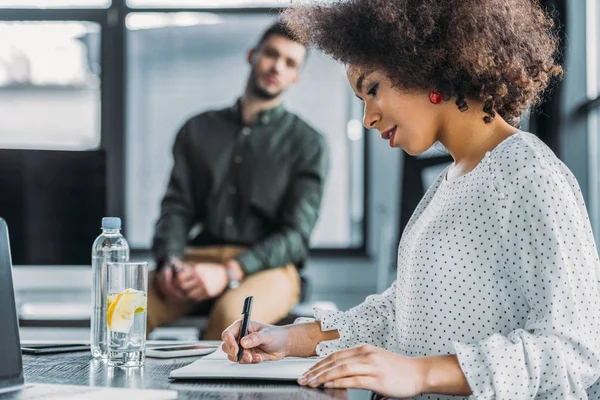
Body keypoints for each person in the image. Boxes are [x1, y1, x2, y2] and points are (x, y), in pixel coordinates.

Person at [221, 1, 600, 398]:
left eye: (372, 89)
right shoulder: (448, 183)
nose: (368, 118)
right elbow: (398, 314)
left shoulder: (529, 173)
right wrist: (286, 338)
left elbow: (573, 349)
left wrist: (420, 374)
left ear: (425, 66)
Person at [148, 21, 329, 340]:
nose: (277, 66)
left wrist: (230, 271)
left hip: (269, 268)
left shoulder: (308, 143)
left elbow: (296, 236)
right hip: (197, 259)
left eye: (290, 63)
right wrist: (170, 260)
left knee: (231, 318)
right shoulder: (198, 129)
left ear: (295, 76)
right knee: (125, 306)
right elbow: (177, 207)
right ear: (252, 55)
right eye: (271, 54)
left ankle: (202, 392)